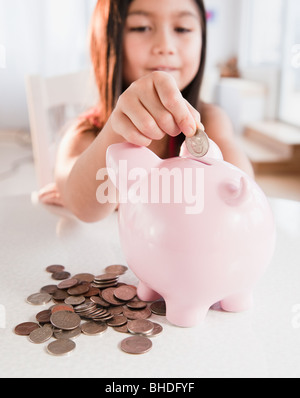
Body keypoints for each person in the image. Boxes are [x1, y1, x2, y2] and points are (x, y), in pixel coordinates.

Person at [38, 0, 254, 222]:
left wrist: (129, 199)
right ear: (108, 40)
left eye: (182, 28)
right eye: (141, 27)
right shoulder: (87, 131)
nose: (165, 45)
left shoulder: (211, 120)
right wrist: (116, 132)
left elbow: (245, 195)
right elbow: (82, 206)